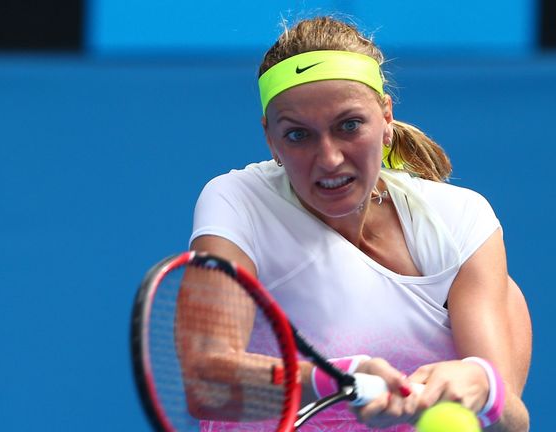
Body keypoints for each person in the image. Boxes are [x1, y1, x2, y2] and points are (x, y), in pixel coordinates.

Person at [187, 16, 532, 431]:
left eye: (349, 125)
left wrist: (485, 387)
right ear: (270, 140)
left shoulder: (459, 222)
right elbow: (206, 385)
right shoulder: (238, 202)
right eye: (298, 135)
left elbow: (512, 422)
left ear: (385, 119)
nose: (329, 158)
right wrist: (336, 377)